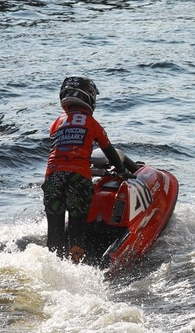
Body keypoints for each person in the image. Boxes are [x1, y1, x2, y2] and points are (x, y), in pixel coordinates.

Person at [43, 77, 131, 263]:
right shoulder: (91, 123)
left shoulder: (56, 123)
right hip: (78, 179)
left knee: (54, 233)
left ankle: (52, 266)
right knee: (77, 229)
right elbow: (109, 150)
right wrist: (122, 171)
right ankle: (76, 267)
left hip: (52, 178)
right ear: (89, 98)